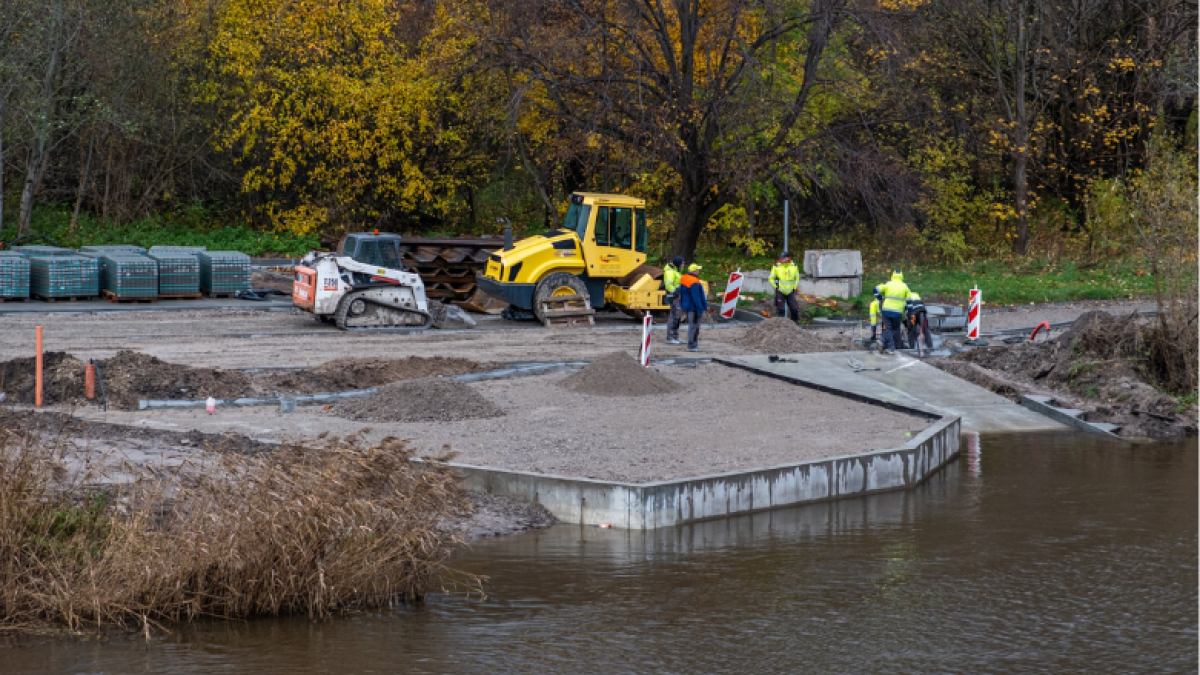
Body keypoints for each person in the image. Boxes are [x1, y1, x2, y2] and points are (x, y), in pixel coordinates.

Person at [873, 270, 911, 355]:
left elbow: (875, 290)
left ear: (892, 275)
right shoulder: (905, 287)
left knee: (887, 328)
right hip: (897, 313)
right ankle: (889, 347)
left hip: (886, 311)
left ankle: (885, 343)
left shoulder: (888, 284)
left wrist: (880, 298)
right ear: (902, 276)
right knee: (894, 329)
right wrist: (910, 313)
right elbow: (909, 302)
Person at [679, 263, 707, 352]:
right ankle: (692, 345)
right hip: (694, 307)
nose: (699, 271)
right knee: (694, 326)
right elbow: (696, 297)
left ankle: (691, 344)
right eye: (698, 269)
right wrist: (700, 308)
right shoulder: (694, 281)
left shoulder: (684, 278)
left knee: (692, 325)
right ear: (694, 271)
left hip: (687, 306)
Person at [768, 252, 801, 324]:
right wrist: (776, 287)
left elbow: (797, 277)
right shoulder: (776, 266)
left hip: (790, 291)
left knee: (794, 309)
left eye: (783, 258)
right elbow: (771, 278)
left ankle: (795, 325)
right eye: (781, 258)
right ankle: (781, 326)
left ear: (787, 258)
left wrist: (794, 287)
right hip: (780, 290)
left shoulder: (794, 266)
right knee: (781, 310)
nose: (781, 260)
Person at [663, 255, 685, 345]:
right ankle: (670, 337)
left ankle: (675, 336)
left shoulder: (676, 272)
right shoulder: (670, 272)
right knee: (674, 317)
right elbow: (669, 285)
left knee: (677, 316)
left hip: (677, 297)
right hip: (674, 297)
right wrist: (676, 293)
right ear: (678, 264)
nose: (683, 265)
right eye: (682, 263)